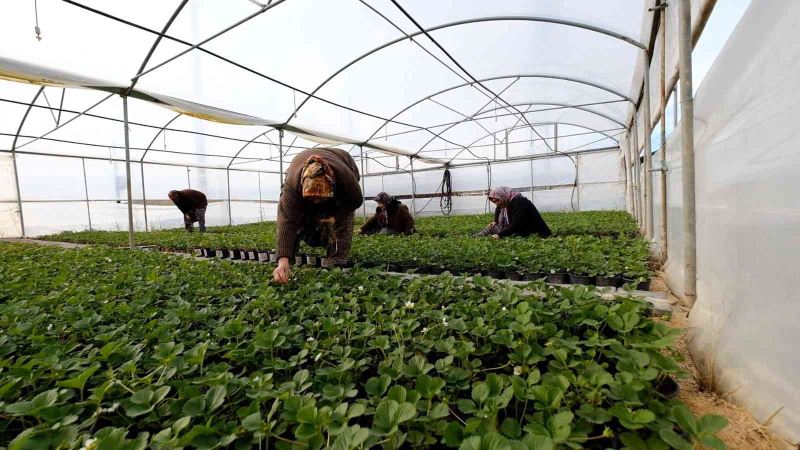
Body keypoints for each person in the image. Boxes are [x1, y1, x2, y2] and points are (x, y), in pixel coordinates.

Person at [273, 147, 363, 284]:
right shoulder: (292, 188)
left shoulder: (346, 179)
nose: (317, 203)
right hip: (297, 172)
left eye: (320, 198)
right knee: (298, 220)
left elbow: (355, 201)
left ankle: (337, 263)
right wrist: (282, 260)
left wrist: (335, 217)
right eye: (312, 199)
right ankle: (289, 263)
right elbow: (287, 221)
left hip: (343, 167)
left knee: (344, 222)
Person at [477, 187, 551, 238]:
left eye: (497, 200)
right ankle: (476, 236)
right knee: (493, 227)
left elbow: (517, 224)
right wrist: (495, 221)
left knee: (496, 230)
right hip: (522, 230)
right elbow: (498, 208)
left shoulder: (519, 202)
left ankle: (477, 236)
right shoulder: (507, 200)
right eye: (494, 202)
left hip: (532, 231)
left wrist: (499, 235)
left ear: (503, 195)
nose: (497, 203)